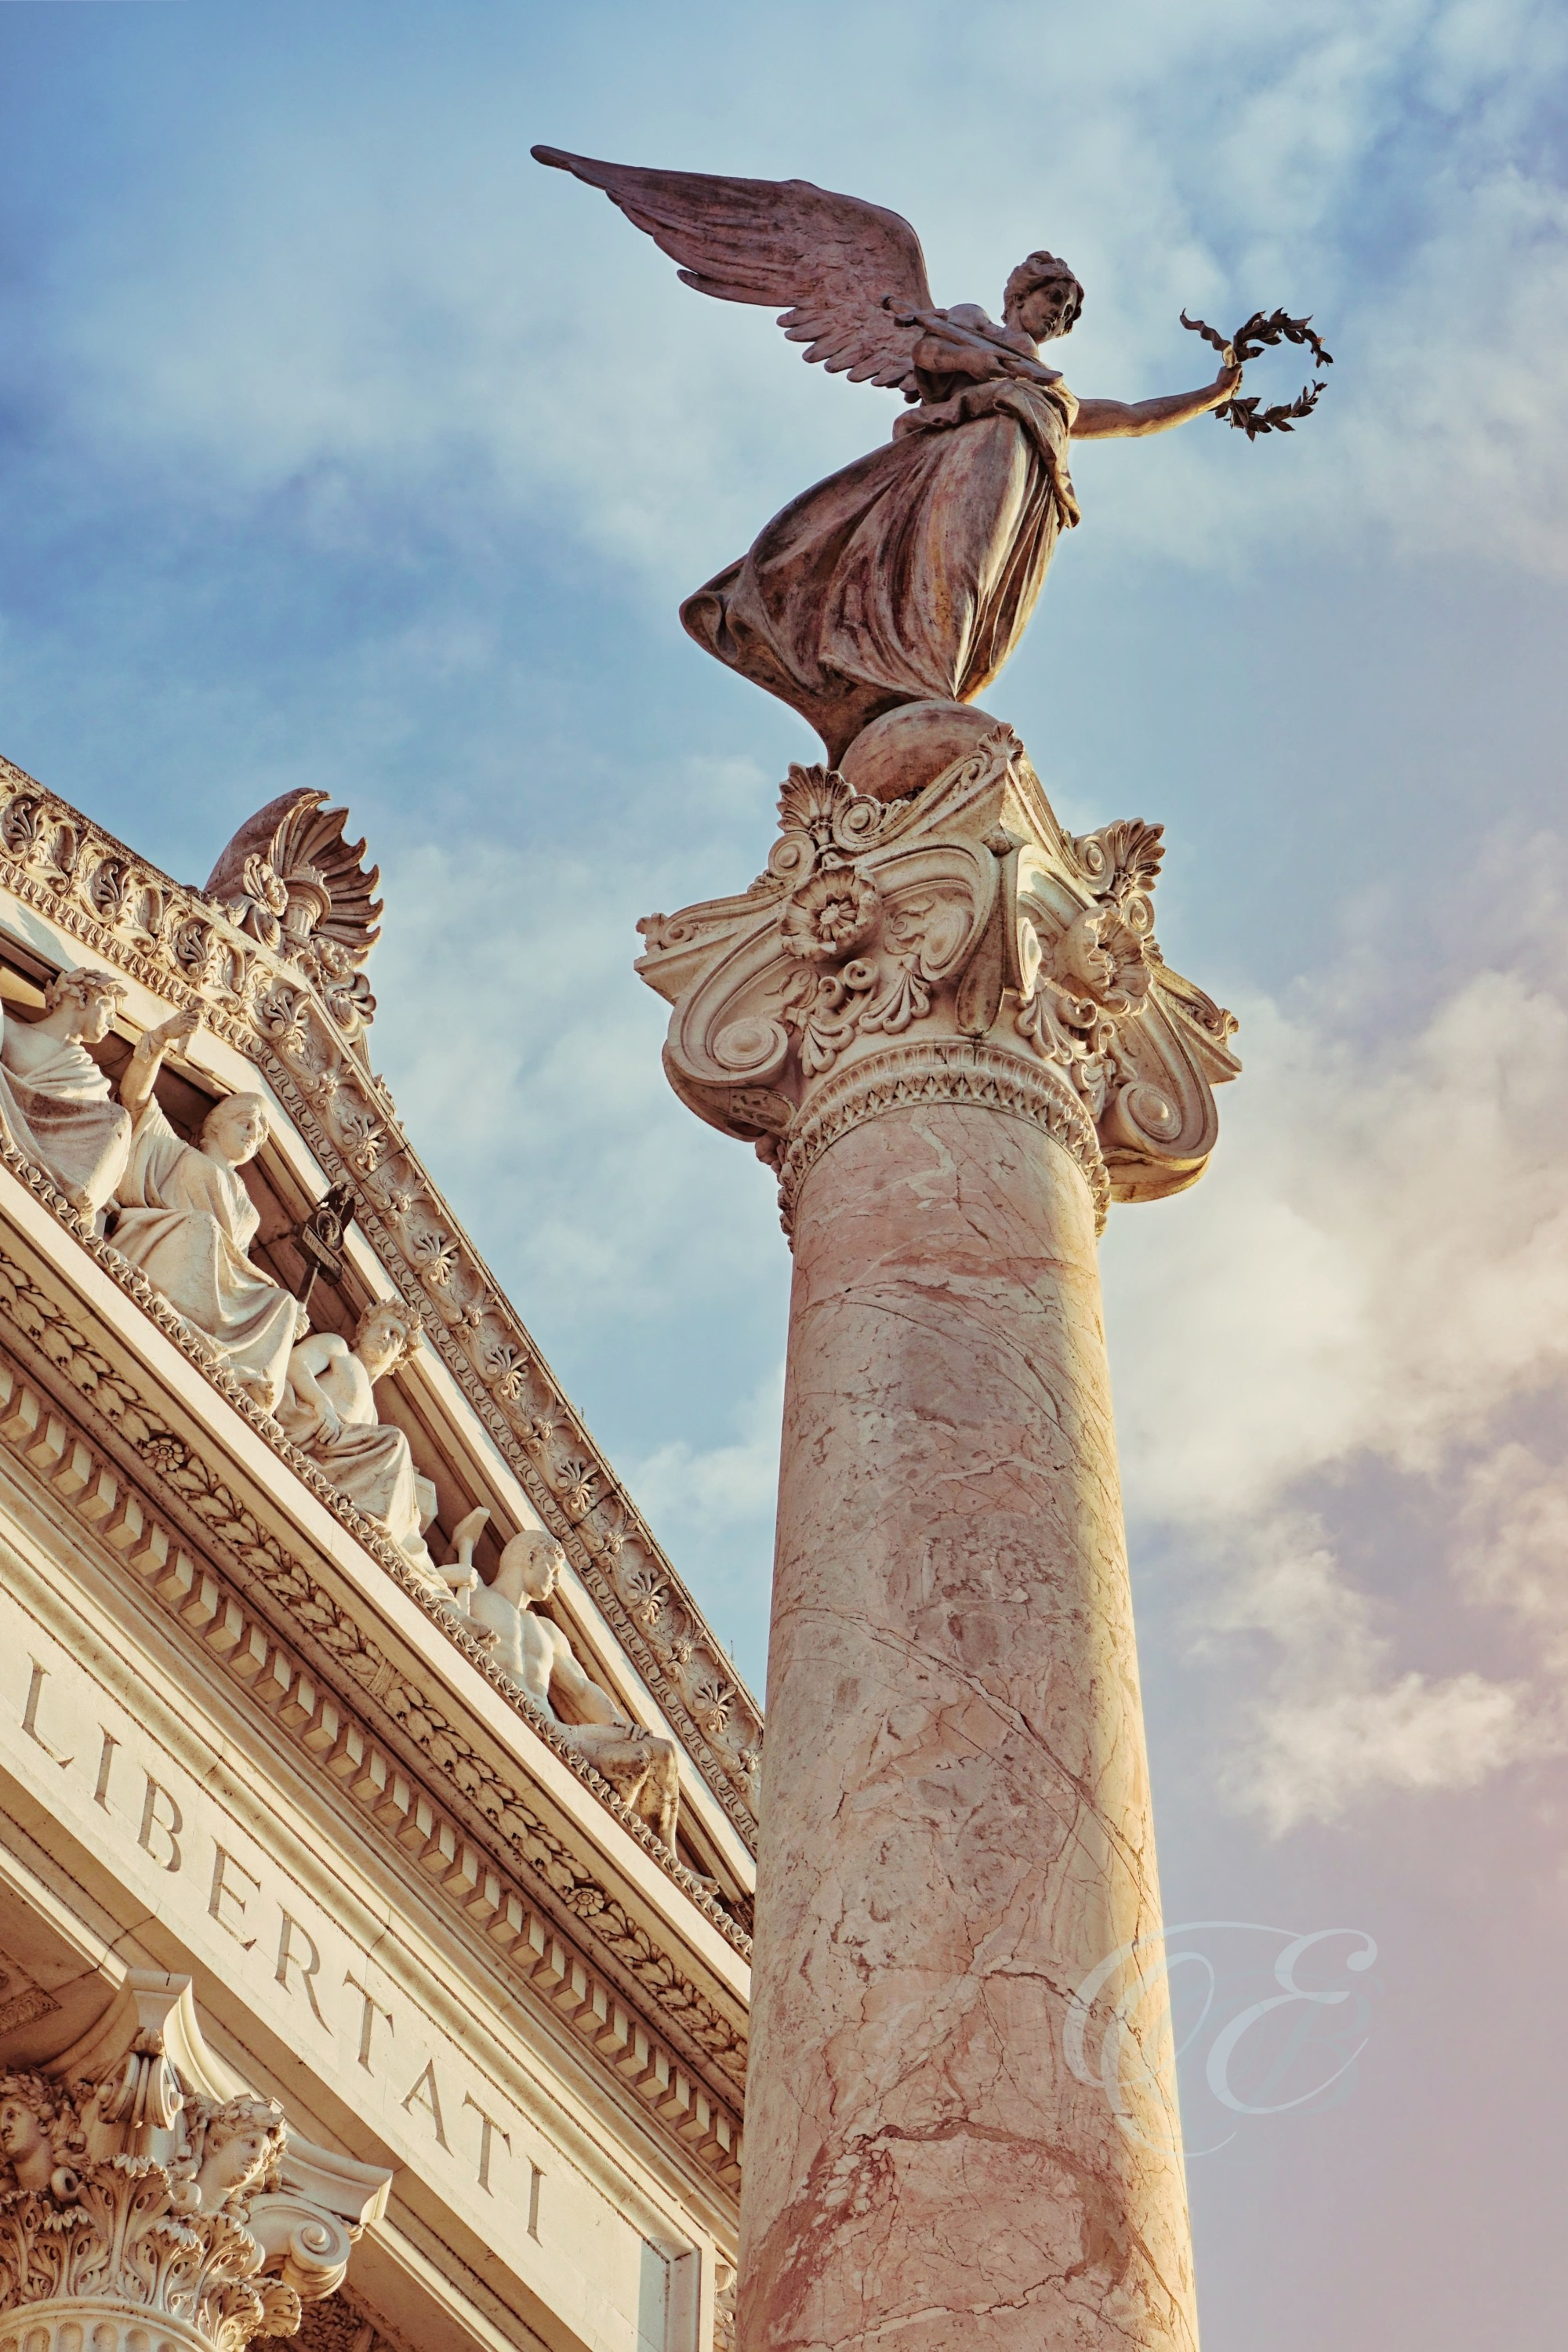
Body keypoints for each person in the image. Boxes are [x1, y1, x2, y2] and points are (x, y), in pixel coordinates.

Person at [112, 1008, 303, 1412]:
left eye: (262, 1134)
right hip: (163, 1243)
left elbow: (239, 1265)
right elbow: (136, 1098)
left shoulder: (248, 1207)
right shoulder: (178, 1150)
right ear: (215, 1124)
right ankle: (184, 1324)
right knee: (205, 1229)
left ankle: (248, 1389)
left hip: (217, 1272)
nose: (255, 1136)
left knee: (283, 1301)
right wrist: (160, 1039)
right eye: (247, 1123)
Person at [468, 1526, 681, 1849]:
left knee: (660, 1751)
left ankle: (666, 1857)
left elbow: (580, 1688)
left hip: (554, 1731)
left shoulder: (546, 1630)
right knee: (633, 1762)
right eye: (552, 1571)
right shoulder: (477, 1594)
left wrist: (619, 1725)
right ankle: (604, 1839)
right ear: (530, 1557)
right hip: (504, 1708)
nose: (555, 1583)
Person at [278, 1301, 437, 1572]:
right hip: (306, 1428)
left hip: (335, 1454)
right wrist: (322, 1404)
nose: (385, 1335)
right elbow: (295, 1363)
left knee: (401, 1479)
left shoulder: (372, 1416)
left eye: (395, 1336)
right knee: (396, 1442)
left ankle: (394, 1543)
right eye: (381, 1326)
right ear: (363, 1330)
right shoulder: (338, 1350)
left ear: (398, 1357)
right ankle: (378, 1527)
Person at [0, 967, 132, 1216]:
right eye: (109, 1010)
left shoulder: (94, 1084)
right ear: (83, 999)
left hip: (52, 1205)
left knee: (119, 1120)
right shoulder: (7, 1030)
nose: (112, 1024)